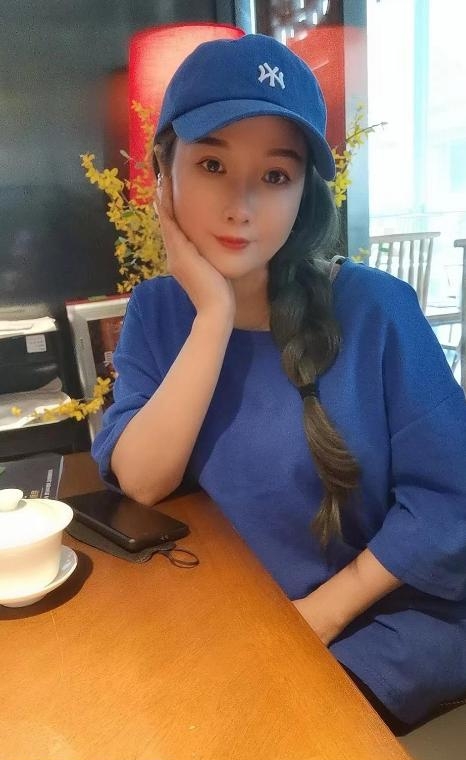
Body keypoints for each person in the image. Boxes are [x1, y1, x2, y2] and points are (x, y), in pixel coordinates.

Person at [92, 33, 466, 733]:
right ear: (164, 172)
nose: (242, 205)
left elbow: (451, 499)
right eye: (212, 164)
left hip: (383, 620)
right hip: (240, 614)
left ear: (303, 192)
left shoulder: (375, 309)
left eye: (275, 175)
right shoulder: (159, 312)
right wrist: (213, 314)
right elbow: (142, 480)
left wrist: (315, 619)